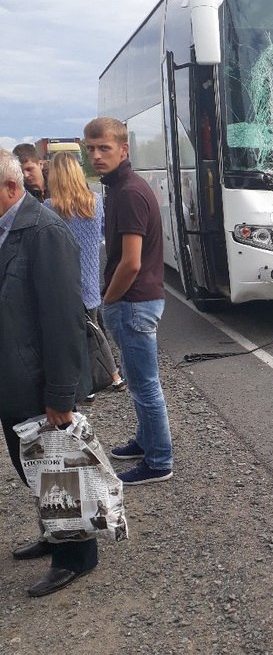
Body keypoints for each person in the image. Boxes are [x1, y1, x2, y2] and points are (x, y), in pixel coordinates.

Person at [0, 148, 98, 597]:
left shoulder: (44, 231)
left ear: (10, 187)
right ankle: (54, 531)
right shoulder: (9, 228)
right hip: (12, 376)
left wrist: (61, 395)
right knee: (32, 467)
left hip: (39, 380)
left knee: (58, 469)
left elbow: (64, 319)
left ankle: (76, 555)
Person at [83, 117, 174, 484]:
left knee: (145, 384)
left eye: (104, 148)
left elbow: (131, 261)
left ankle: (158, 461)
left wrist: (108, 299)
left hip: (134, 302)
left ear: (124, 150)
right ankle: (144, 440)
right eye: (90, 148)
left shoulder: (129, 193)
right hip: (137, 301)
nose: (96, 155)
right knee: (139, 382)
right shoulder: (122, 188)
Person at [43, 152, 125, 393]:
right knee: (95, 326)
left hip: (64, 282)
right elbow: (104, 233)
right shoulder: (95, 200)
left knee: (82, 334)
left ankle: (103, 380)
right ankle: (111, 376)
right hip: (91, 277)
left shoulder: (49, 207)